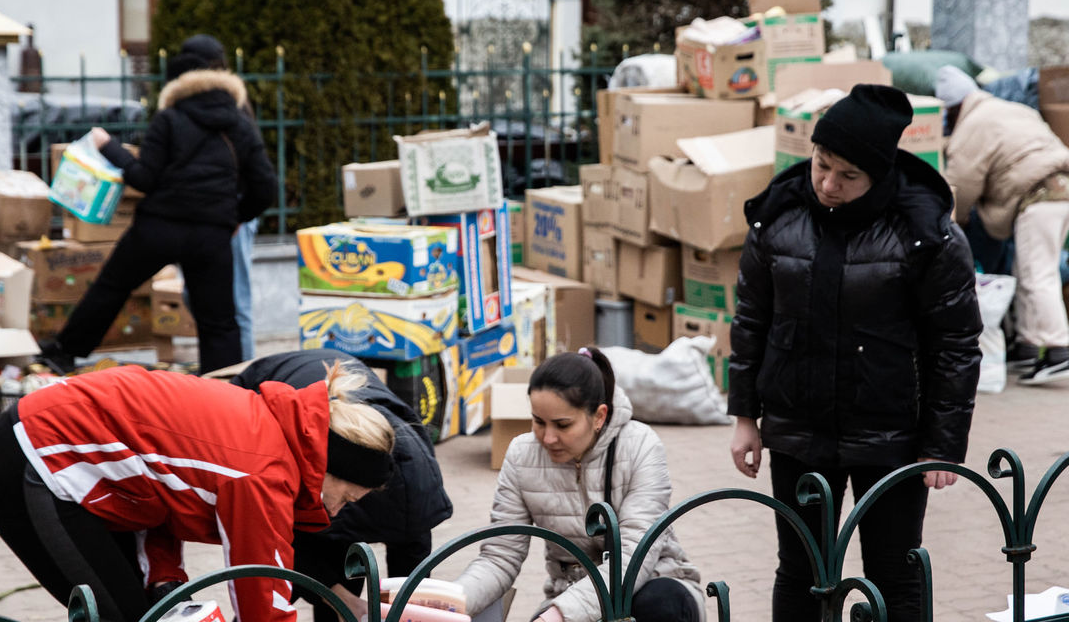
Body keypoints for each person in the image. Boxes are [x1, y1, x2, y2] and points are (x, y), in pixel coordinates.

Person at [727, 83, 982, 621]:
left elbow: (955, 345)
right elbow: (752, 320)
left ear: (881, 173)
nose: (828, 184)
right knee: (801, 573)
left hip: (891, 436)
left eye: (849, 176)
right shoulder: (777, 217)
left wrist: (942, 444)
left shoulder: (925, 234)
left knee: (894, 576)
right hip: (797, 429)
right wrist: (745, 416)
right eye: (822, 165)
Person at [0, 362, 395, 622]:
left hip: (66, 454)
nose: (337, 511)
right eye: (345, 496)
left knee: (151, 607)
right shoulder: (263, 472)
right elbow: (262, 594)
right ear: (326, 466)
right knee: (121, 615)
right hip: (35, 459)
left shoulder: (272, 430)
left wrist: (165, 576)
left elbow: (156, 490)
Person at [39, 35, 276, 375]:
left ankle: (64, 353)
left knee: (112, 287)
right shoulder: (240, 123)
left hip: (159, 227)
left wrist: (110, 147)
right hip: (211, 234)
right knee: (219, 321)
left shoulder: (170, 118)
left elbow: (144, 178)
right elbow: (265, 188)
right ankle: (228, 385)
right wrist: (235, 217)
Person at [456, 348, 706, 622]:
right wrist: (450, 602)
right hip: (568, 596)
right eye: (538, 421)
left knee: (660, 605)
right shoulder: (521, 455)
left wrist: (560, 615)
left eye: (562, 425)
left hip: (652, 585)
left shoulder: (640, 446)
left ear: (599, 416)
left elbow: (636, 556)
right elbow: (500, 556)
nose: (548, 438)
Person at [230, 350, 454, 622]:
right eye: (346, 497)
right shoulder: (295, 464)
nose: (336, 510)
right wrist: (341, 597)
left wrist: (405, 612)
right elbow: (284, 543)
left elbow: (411, 569)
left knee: (362, 590)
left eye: (350, 501)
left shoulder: (415, 497)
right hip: (259, 394)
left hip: (366, 483)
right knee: (273, 590)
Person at [936, 64, 1069, 384]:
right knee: (1030, 271)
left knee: (1037, 275)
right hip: (1060, 191)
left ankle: (1059, 349)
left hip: (1037, 200)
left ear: (953, 107)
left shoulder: (973, 125)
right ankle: (1029, 346)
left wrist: (952, 218)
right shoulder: (1011, 108)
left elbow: (961, 185)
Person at [171, 34, 263, 362]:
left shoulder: (230, 104)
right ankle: (221, 373)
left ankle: (244, 380)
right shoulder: (200, 102)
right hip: (207, 217)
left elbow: (250, 169)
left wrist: (237, 215)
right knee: (200, 298)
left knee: (234, 302)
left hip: (230, 216)